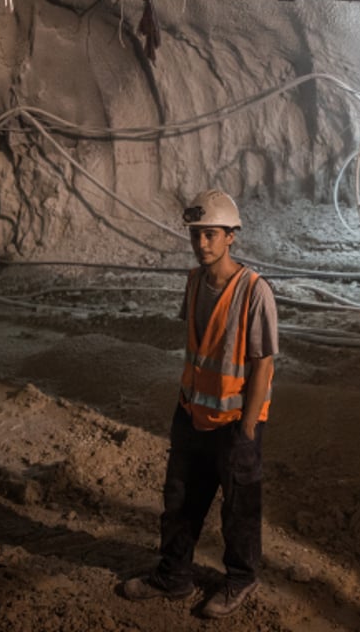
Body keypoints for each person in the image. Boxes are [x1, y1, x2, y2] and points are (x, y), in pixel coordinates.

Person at [123, 188, 279, 620]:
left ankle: (240, 579)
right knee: (179, 502)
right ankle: (174, 576)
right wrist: (187, 408)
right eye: (196, 235)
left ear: (231, 236)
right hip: (191, 415)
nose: (202, 243)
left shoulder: (254, 291)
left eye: (210, 234)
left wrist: (247, 429)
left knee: (238, 511)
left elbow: (263, 365)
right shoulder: (193, 283)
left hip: (234, 423)